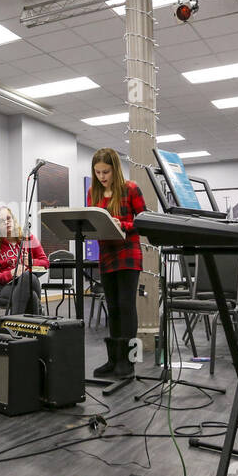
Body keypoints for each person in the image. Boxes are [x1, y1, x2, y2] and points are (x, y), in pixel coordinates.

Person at [87, 148, 147, 378]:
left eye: (106, 172)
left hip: (129, 254)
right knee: (112, 309)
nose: (102, 176)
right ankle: (113, 360)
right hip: (106, 255)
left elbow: (143, 221)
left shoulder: (131, 188)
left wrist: (122, 224)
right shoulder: (93, 192)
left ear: (115, 170)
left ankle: (130, 362)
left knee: (126, 307)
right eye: (98, 172)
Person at [0, 206, 47, 316]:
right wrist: (11, 273)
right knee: (32, 297)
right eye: (1, 221)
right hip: (8, 286)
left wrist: (31, 262)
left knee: (26, 276)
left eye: (8, 218)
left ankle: (13, 322)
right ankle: (33, 329)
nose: (6, 222)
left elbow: (45, 263)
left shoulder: (30, 239)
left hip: (31, 279)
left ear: (13, 220)